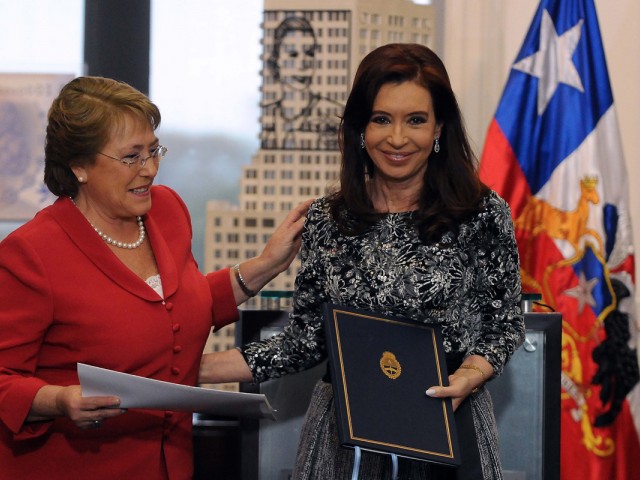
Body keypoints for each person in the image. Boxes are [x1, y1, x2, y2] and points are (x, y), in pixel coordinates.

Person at [200, 43, 526, 480]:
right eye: (380, 119)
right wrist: (191, 369)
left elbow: (505, 323)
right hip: (342, 438)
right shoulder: (327, 220)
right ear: (359, 129)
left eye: (415, 120)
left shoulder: (482, 213)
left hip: (449, 423)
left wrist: (472, 372)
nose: (396, 138)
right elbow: (305, 342)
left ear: (439, 128)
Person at [0, 76, 310, 480]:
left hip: (172, 463)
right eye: (131, 157)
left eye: (153, 150)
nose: (149, 169)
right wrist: (59, 400)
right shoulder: (32, 253)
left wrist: (267, 264)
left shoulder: (168, 211)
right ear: (79, 166)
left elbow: (181, 307)